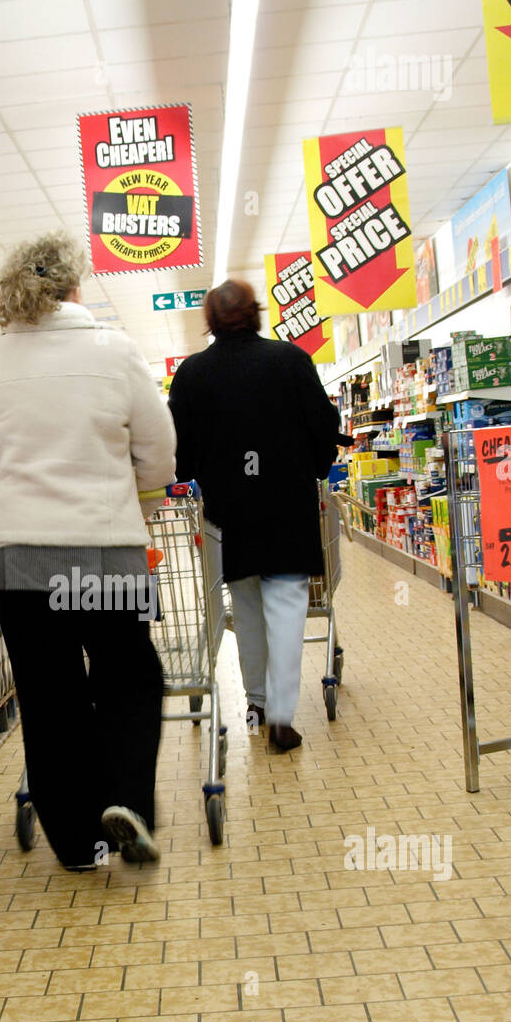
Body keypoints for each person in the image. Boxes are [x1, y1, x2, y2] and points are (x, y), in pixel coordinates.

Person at [0, 231, 176, 869]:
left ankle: (78, 846)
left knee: (51, 698)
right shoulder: (116, 350)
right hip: (106, 553)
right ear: (76, 287)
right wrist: (140, 502)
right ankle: (127, 800)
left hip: (17, 560)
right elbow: (159, 453)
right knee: (130, 675)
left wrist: (19, 506)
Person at [168, 279, 340, 752]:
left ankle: (257, 703)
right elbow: (325, 428)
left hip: (230, 514)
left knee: (245, 609)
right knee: (285, 606)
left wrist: (204, 470)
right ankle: (282, 717)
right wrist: (315, 462)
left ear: (211, 321)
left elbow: (180, 455)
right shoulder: (290, 360)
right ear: (256, 313)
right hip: (288, 508)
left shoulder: (192, 374)